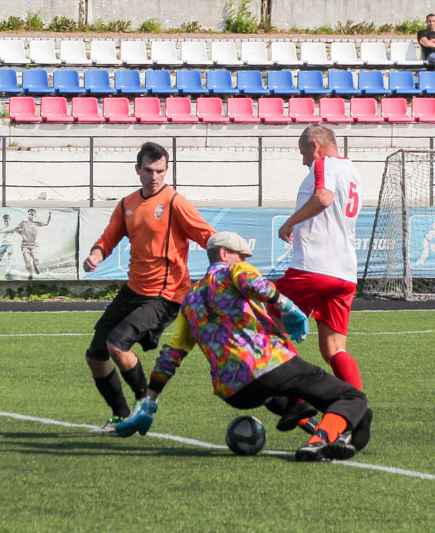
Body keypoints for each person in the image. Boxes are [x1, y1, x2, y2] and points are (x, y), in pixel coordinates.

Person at [114, 231, 373, 462]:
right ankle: (320, 441)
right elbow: (256, 284)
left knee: (281, 396)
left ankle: (305, 415)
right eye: (241, 255)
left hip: (233, 391)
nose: (244, 260)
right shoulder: (233, 270)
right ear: (225, 254)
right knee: (351, 397)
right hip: (268, 365)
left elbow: (172, 355)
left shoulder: (191, 300)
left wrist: (150, 401)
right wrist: (287, 306)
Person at [82, 141, 216, 434]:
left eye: (160, 171)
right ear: (138, 170)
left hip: (165, 294)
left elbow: (207, 235)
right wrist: (95, 254)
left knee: (117, 344)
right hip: (134, 290)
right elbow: (108, 238)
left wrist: (225, 262)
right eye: (149, 170)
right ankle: (120, 414)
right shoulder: (127, 204)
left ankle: (145, 403)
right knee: (95, 355)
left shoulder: (175, 202)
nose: (155, 176)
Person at [274, 125, 363, 414]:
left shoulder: (324, 163)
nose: (304, 162)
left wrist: (289, 223)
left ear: (315, 146)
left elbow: (323, 198)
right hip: (345, 273)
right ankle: (355, 409)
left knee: (268, 322)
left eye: (304, 154)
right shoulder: (352, 171)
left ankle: (297, 401)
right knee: (334, 349)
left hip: (314, 268)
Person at [15, 208, 51, 280]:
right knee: (28, 262)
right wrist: (21, 233)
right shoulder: (23, 222)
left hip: (33, 245)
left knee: (36, 259)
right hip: (25, 246)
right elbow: (16, 229)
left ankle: (35, 266)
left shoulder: (36, 223)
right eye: (29, 214)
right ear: (27, 214)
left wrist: (49, 217)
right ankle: (30, 274)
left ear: (34, 216)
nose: (31, 216)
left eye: (32, 214)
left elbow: (46, 224)